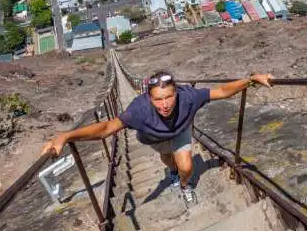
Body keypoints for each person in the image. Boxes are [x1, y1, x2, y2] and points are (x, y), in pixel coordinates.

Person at [41, 71, 274, 204]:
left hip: (181, 130)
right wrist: (67, 135)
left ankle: (183, 185)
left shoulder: (189, 97)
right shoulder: (138, 110)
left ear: (177, 92)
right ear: (149, 98)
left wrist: (251, 80)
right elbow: (106, 129)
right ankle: (171, 171)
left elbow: (221, 91)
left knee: (186, 165)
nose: (164, 104)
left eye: (169, 97)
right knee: (168, 160)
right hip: (153, 138)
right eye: (158, 99)